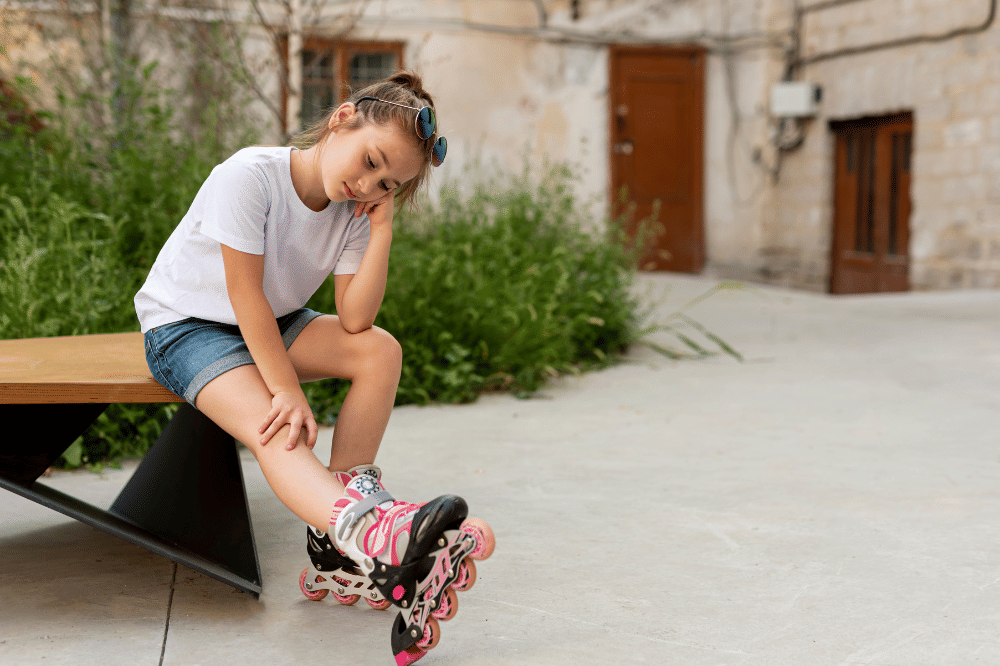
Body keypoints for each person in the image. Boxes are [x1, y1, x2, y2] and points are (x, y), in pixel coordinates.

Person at [135, 71, 493, 665]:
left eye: (390, 184)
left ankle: (339, 544)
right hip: (188, 327)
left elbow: (355, 318)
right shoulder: (249, 175)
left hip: (273, 322)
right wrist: (284, 390)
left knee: (381, 349)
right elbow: (243, 293)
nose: (369, 184)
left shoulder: (357, 211)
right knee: (281, 428)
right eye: (372, 160)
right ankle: (372, 533)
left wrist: (381, 228)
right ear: (342, 119)